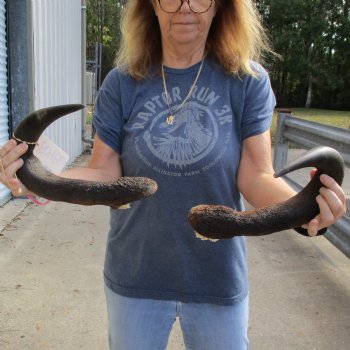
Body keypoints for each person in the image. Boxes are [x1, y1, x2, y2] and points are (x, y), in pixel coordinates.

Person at [0, 0, 346, 349]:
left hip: (217, 279)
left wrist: (305, 210)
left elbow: (256, 177)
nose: (185, 8)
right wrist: (40, 178)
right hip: (135, 276)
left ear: (220, 7)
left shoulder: (247, 81)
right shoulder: (122, 82)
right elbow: (103, 171)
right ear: (151, 5)